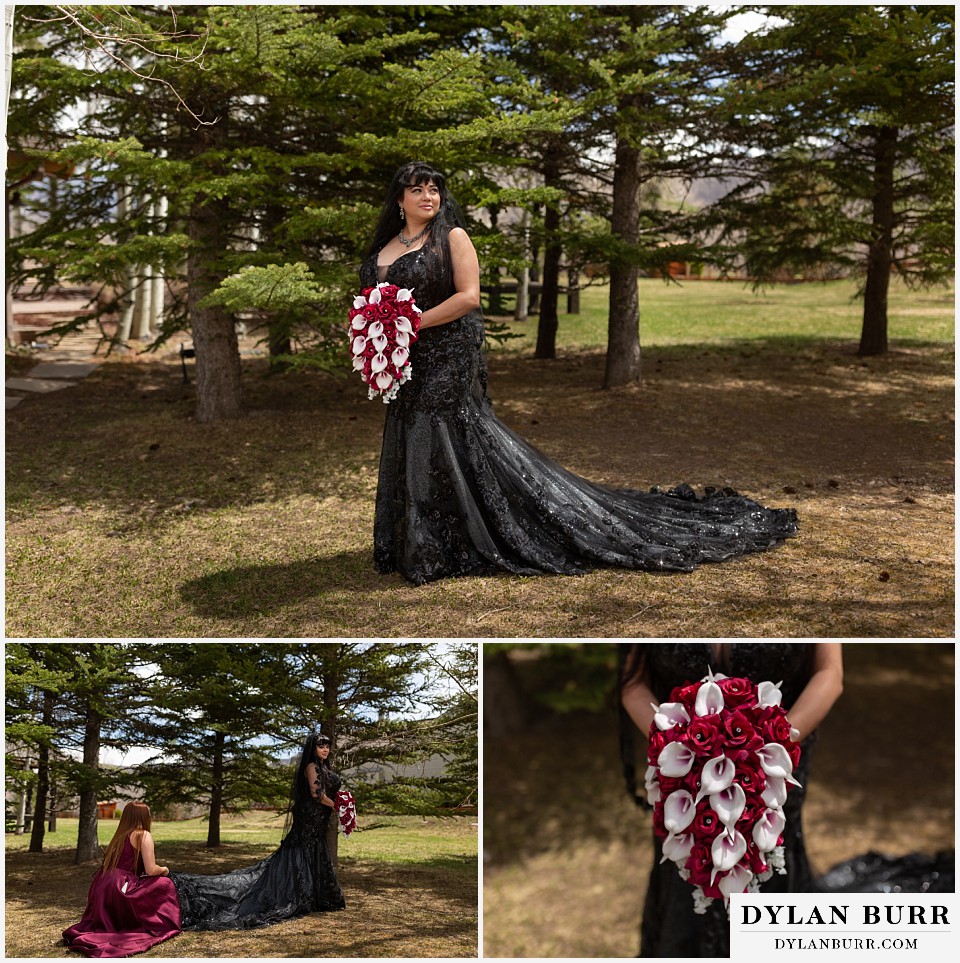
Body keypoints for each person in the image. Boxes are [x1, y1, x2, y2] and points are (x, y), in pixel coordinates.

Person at [361, 162, 798, 586]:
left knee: (438, 428)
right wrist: (375, 329)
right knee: (413, 430)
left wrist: (412, 322)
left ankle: (441, 541)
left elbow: (469, 297)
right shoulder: (386, 246)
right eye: (417, 189)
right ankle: (422, 536)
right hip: (403, 360)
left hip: (446, 353)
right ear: (400, 198)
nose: (428, 196)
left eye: (434, 188)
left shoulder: (452, 237)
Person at [619, 642, 844, 957]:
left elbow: (830, 673)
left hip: (773, 775)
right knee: (684, 892)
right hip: (685, 780)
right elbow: (633, 684)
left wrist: (770, 745)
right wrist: (675, 746)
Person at [171, 732, 345, 930]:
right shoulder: (311, 767)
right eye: (321, 746)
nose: (325, 749)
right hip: (309, 819)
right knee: (301, 852)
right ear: (313, 749)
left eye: (327, 746)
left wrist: (343, 801)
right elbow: (316, 794)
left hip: (317, 820)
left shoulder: (323, 767)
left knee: (312, 850)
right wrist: (337, 805)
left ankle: (317, 897)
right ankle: (300, 894)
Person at [63, 800, 181, 958]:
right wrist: (164, 869)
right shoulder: (142, 834)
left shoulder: (119, 836)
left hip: (102, 885)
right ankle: (158, 921)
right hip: (120, 888)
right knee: (164, 883)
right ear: (144, 816)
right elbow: (151, 870)